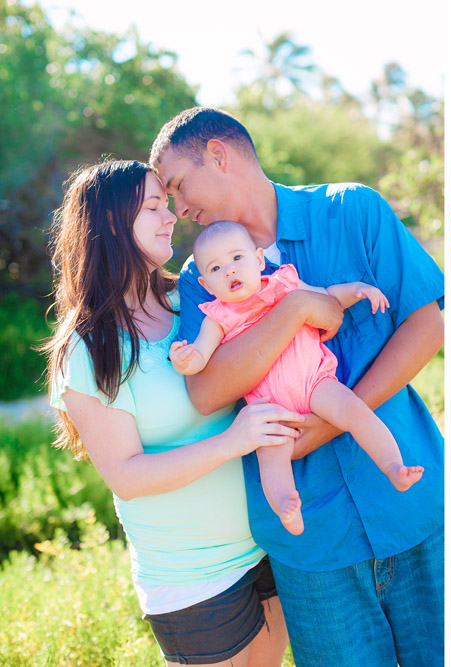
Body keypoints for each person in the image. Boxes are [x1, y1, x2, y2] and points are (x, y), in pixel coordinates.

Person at [150, 106, 444, 666]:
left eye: (178, 185)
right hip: (312, 543)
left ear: (219, 154)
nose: (177, 207)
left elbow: (427, 322)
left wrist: (334, 418)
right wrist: (293, 312)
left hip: (414, 508)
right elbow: (207, 391)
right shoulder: (198, 276)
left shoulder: (352, 209)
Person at [42, 160, 328, 666]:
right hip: (192, 579)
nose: (171, 215)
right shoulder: (88, 348)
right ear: (110, 224)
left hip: (266, 545)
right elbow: (126, 476)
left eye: (166, 203)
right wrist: (231, 442)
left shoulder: (193, 299)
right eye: (152, 206)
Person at [170, 221, 424, 535]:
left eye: (237, 259)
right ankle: (286, 507)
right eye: (216, 268)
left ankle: (393, 466)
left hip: (316, 383)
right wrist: (184, 361)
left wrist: (358, 290)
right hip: (269, 407)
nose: (229, 271)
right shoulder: (217, 317)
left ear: (259, 260)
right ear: (207, 285)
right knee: (271, 456)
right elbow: (200, 357)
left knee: (355, 411)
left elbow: (327, 296)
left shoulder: (284, 284)